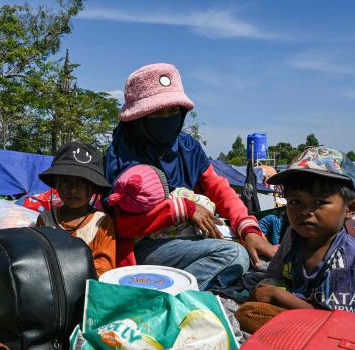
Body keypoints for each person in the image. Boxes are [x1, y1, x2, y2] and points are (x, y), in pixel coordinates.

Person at [104, 63, 276, 290]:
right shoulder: (121, 156)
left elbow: (219, 189)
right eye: (157, 112)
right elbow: (119, 224)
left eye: (172, 111)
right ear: (138, 118)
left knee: (255, 252)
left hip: (187, 243)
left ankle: (181, 284)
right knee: (234, 255)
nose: (166, 118)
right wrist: (181, 210)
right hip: (144, 245)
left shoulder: (187, 147)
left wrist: (249, 230)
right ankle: (161, 297)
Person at [235, 147, 355, 333]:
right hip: (307, 308)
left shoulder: (345, 262)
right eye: (295, 202)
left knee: (249, 314)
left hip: (347, 331)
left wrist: (277, 295)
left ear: (350, 209)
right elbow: (275, 274)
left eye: (319, 202)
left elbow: (341, 326)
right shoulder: (294, 234)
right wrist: (270, 286)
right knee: (253, 290)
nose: (304, 212)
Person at [37, 142, 116, 276]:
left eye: (82, 182)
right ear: (57, 184)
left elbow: (105, 266)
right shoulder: (45, 219)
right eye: (66, 181)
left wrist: (68, 273)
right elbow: (38, 257)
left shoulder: (101, 222)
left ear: (93, 187)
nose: (73, 190)